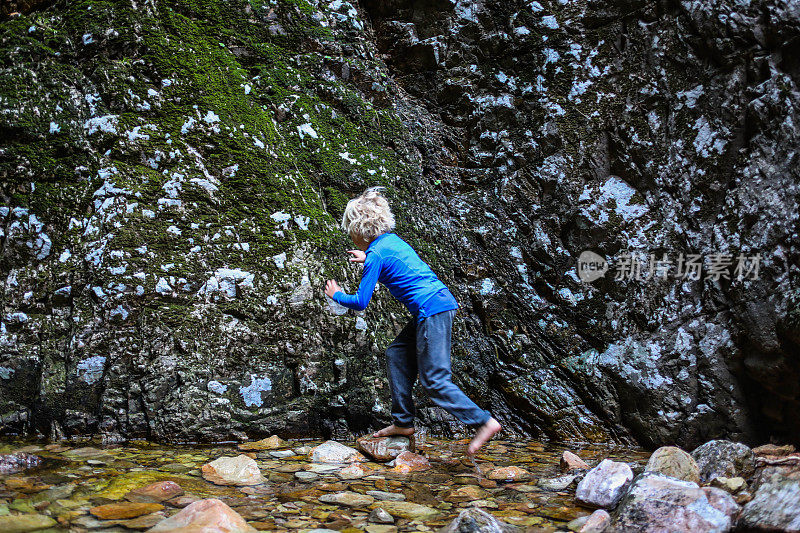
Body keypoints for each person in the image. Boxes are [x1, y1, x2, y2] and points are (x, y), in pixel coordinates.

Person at [323, 186, 502, 455]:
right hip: (433, 307)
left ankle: (485, 422)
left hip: (433, 309)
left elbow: (360, 302)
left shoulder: (376, 255)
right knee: (396, 353)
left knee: (435, 381)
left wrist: (337, 295)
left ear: (358, 231)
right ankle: (403, 423)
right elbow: (393, 261)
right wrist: (368, 257)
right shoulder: (389, 243)